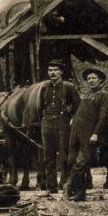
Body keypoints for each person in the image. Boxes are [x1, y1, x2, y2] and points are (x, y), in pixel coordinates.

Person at [63, 67, 108, 201]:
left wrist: (96, 133)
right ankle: (80, 194)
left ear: (100, 80)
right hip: (76, 133)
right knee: (71, 161)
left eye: (93, 78)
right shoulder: (87, 95)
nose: (90, 81)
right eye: (89, 79)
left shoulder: (104, 95)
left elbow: (103, 117)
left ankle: (67, 185)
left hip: (89, 134)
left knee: (81, 162)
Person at [37, 59, 81, 192]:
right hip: (47, 123)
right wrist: (44, 121)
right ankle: (51, 187)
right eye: (50, 70)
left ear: (61, 72)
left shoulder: (69, 87)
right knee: (48, 156)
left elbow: (78, 106)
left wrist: (72, 117)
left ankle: (65, 184)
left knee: (64, 155)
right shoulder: (44, 87)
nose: (53, 73)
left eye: (55, 70)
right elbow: (40, 106)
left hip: (63, 123)